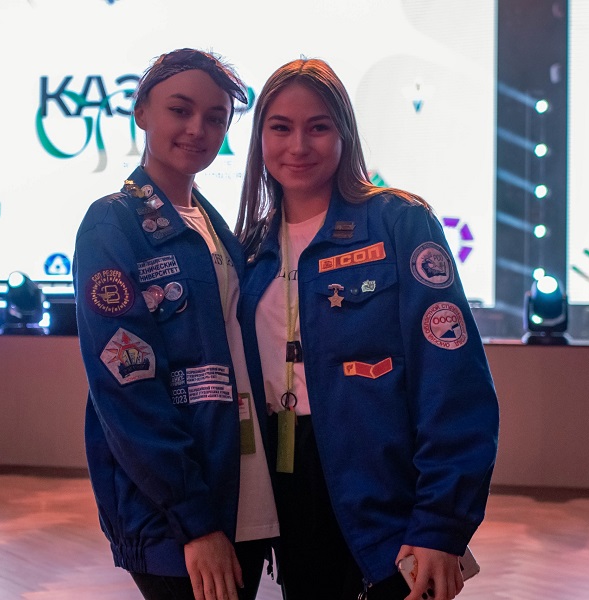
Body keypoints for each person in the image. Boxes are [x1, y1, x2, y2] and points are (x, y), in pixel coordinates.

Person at [235, 58, 500, 600]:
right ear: (260, 138)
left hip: (384, 493)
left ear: (345, 134)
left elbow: (453, 383)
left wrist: (440, 524)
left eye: (318, 127)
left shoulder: (400, 223)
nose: (298, 145)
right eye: (281, 127)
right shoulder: (250, 248)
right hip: (286, 484)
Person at [73, 48, 279, 600]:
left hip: (242, 489)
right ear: (142, 111)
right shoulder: (111, 225)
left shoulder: (215, 227)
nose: (197, 129)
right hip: (177, 512)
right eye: (180, 110)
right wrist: (194, 520)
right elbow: (128, 388)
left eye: (215, 118)